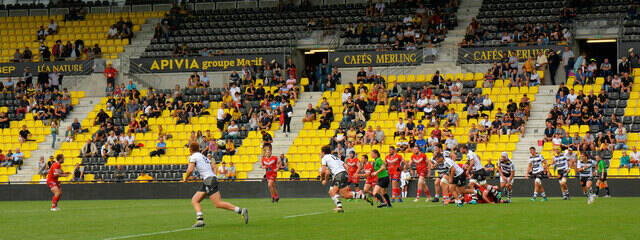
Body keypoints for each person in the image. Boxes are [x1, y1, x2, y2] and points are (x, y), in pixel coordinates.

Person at [184, 142, 248, 227]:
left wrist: (186, 178)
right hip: (209, 180)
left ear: (190, 149)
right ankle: (200, 220)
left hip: (209, 180)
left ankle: (240, 211)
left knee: (218, 203)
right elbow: (212, 166)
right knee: (195, 200)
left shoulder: (193, 157)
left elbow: (190, 169)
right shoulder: (202, 156)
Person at [320, 146, 371, 213]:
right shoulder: (335, 157)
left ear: (323, 152)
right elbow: (346, 166)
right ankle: (361, 195)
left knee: (331, 191)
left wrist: (323, 179)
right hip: (344, 174)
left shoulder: (324, 158)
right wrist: (346, 174)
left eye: (320, 152)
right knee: (345, 195)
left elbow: (324, 171)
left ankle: (339, 206)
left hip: (338, 175)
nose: (320, 154)